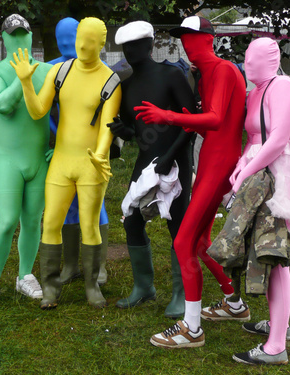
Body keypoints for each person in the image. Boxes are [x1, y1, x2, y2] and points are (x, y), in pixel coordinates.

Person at [134, 16, 248, 348]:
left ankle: (192, 328)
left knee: (183, 243)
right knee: (198, 243)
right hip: (210, 161)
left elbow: (215, 120)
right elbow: (205, 123)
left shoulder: (224, 70)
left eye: (191, 37)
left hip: (218, 164)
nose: (186, 43)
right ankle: (233, 302)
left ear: (208, 39)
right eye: (182, 38)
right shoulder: (204, 75)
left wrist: (167, 116)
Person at [11, 17, 121, 309]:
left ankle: (92, 284)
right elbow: (38, 112)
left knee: (90, 224)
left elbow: (108, 126)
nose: (83, 46)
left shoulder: (110, 80)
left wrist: (100, 154)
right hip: (61, 160)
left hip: (91, 164)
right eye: (79, 40)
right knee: (51, 222)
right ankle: (49, 287)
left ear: (101, 44)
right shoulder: (59, 72)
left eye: (90, 41)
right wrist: (25, 82)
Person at [228, 37, 290, 365]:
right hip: (260, 172)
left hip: (282, 175)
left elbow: (278, 138)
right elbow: (255, 136)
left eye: (253, 58)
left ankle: (276, 345)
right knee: (262, 251)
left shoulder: (283, 87)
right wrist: (241, 166)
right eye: (246, 58)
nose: (247, 64)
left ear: (271, 59)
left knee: (275, 254)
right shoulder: (256, 92)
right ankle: (278, 325)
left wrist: (245, 170)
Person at [110, 21, 195, 318]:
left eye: (137, 45)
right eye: (126, 47)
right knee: (131, 219)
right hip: (147, 160)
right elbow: (137, 129)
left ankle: (181, 294)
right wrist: (126, 130)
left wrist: (169, 157)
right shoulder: (127, 85)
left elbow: (191, 124)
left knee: (178, 226)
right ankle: (144, 288)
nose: (130, 51)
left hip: (176, 159)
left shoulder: (172, 75)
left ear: (150, 45)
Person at [0, 14, 51, 312]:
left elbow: (69, 110)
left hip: (38, 159)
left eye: (23, 34)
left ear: (31, 37)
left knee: (33, 221)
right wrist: (23, 78)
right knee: (6, 221)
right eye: (13, 34)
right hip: (7, 160)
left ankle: (25, 275)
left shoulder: (48, 70)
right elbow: (4, 105)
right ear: (4, 39)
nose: (19, 39)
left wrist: (63, 146)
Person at [47, 17, 110, 286]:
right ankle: (71, 265)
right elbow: (41, 110)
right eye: (60, 42)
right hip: (63, 149)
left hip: (94, 149)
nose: (67, 47)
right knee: (66, 205)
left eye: (69, 40)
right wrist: (53, 139)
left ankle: (99, 265)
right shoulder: (52, 68)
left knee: (95, 205)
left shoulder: (101, 70)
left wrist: (102, 149)